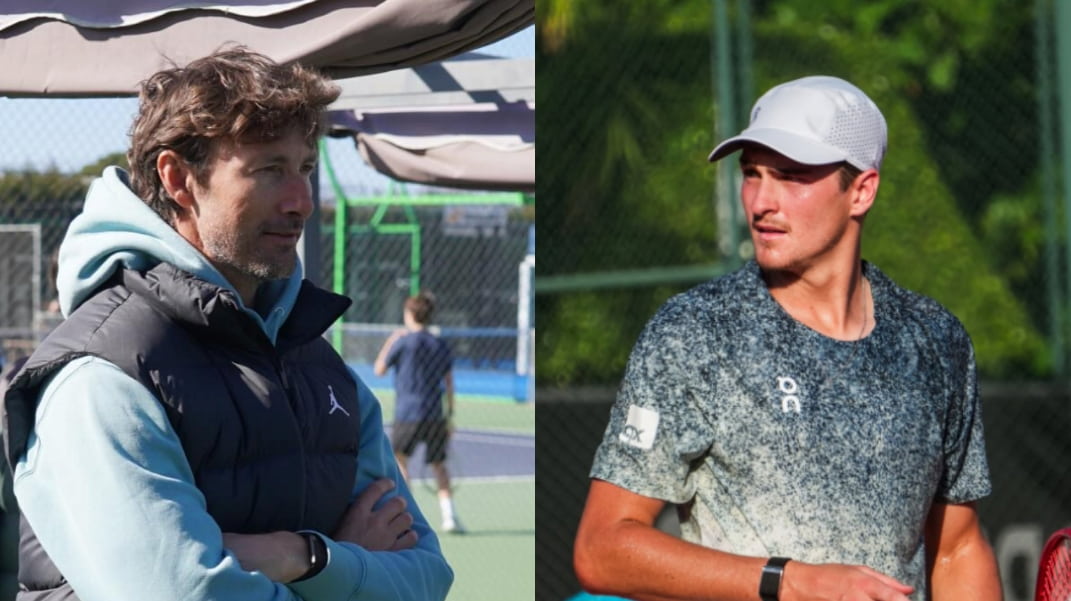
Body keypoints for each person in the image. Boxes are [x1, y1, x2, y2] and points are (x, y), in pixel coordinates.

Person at [1, 47, 453, 601]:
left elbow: (427, 579)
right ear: (178, 179)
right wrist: (344, 564)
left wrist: (301, 556)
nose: (302, 202)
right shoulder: (100, 376)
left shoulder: (321, 366)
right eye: (269, 170)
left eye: (306, 168)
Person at [573, 75, 1002, 601]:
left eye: (791, 176)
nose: (760, 201)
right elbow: (602, 549)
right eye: (751, 173)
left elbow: (956, 549)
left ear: (861, 191)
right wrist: (790, 581)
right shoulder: (694, 333)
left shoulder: (937, 340)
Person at [374, 292, 463, 533]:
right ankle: (450, 517)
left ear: (410, 314)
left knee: (400, 462)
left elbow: (379, 369)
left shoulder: (402, 342)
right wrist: (450, 415)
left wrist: (391, 340)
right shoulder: (440, 344)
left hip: (407, 413)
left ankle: (407, 517)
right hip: (435, 414)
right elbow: (449, 382)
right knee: (439, 465)